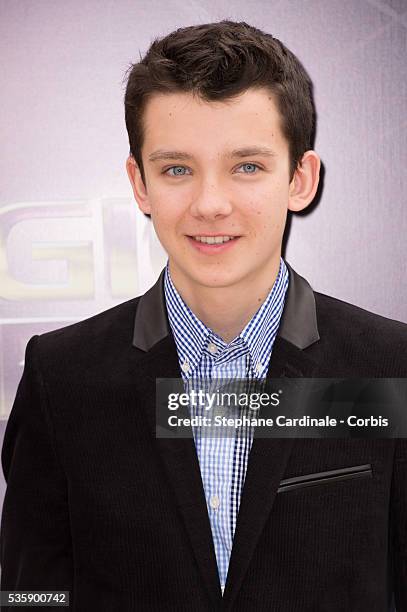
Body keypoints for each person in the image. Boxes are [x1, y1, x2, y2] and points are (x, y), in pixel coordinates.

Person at [1, 20, 406, 612]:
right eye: (176, 169)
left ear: (300, 178)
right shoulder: (62, 375)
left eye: (247, 166)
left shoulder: (390, 366)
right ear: (139, 184)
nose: (211, 204)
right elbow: (30, 594)